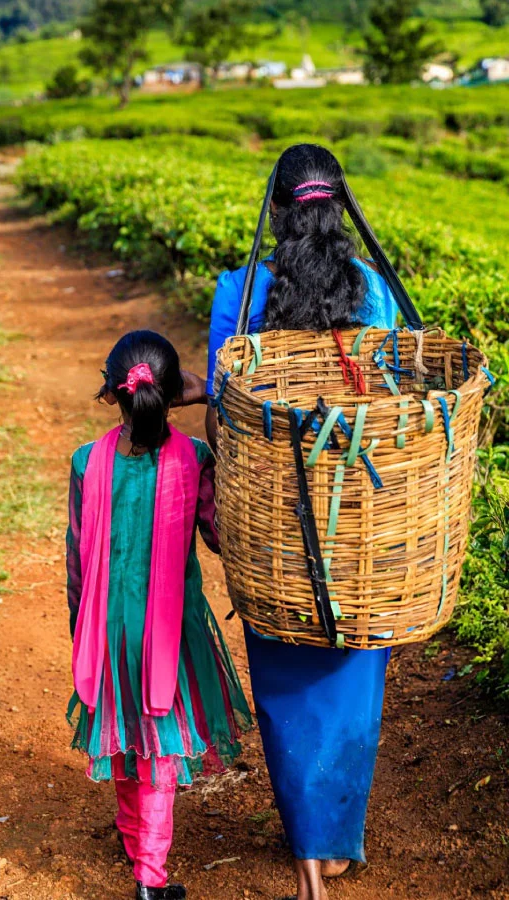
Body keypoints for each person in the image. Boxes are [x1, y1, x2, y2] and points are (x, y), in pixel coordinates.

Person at [205, 144, 398, 900]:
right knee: (350, 669)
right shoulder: (375, 293)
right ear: (341, 211)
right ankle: (334, 838)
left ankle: (305, 841)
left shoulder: (237, 291)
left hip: (275, 527)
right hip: (360, 522)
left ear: (276, 212)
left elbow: (227, 404)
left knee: (285, 672)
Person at [66, 330, 253, 900]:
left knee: (122, 729)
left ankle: (132, 835)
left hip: (108, 624)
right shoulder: (193, 458)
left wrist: (83, 628)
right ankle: (150, 877)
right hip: (170, 633)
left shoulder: (86, 462)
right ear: (173, 395)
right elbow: (220, 537)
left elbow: (76, 558)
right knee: (160, 745)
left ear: (109, 394)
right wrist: (220, 424)